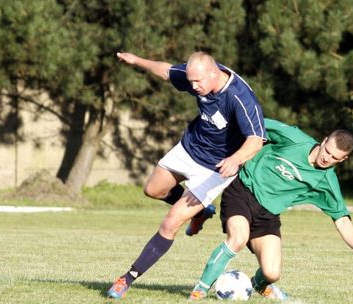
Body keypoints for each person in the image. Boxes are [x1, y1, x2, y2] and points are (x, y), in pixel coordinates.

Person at [107, 51, 266, 299]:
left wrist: (235, 159)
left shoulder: (240, 98)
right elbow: (167, 71)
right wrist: (137, 60)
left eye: (198, 82)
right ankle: (202, 211)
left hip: (215, 168)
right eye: (190, 82)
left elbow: (256, 139)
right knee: (153, 190)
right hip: (189, 148)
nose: (193, 86)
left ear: (214, 73)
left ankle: (127, 278)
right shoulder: (197, 75)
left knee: (171, 222)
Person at [189, 118, 353, 300]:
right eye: (327, 151)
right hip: (242, 190)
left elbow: (342, 218)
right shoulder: (294, 138)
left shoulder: (327, 181)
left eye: (334, 157)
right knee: (238, 238)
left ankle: (260, 285)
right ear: (324, 140)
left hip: (267, 215)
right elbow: (255, 124)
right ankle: (200, 291)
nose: (326, 158)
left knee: (272, 273)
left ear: (343, 159)